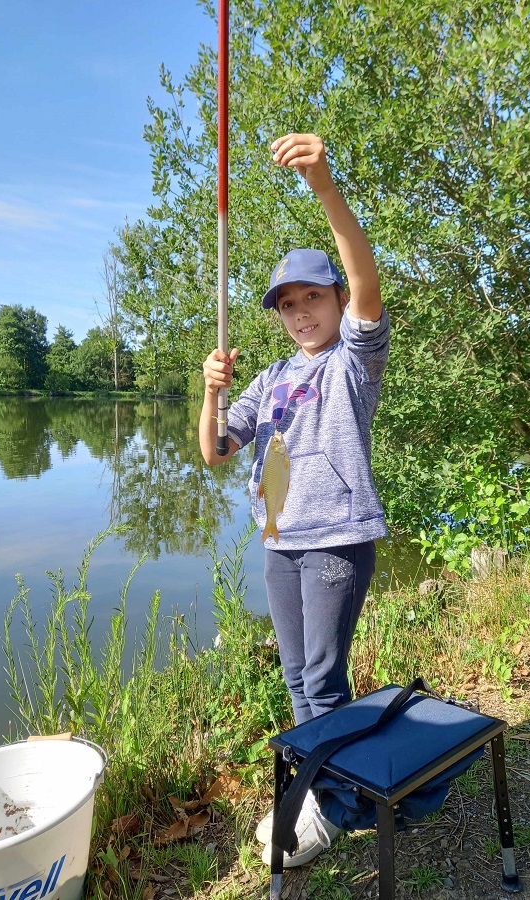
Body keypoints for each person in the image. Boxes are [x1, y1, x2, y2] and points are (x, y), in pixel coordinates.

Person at [199, 133, 389, 867]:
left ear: (336, 300)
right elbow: (215, 451)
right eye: (288, 303)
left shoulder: (353, 362)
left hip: (336, 537)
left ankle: (335, 806)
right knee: (294, 675)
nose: (301, 310)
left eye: (313, 296)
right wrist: (209, 392)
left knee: (321, 676)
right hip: (280, 541)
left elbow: (368, 283)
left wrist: (325, 187)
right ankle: (322, 786)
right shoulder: (273, 373)